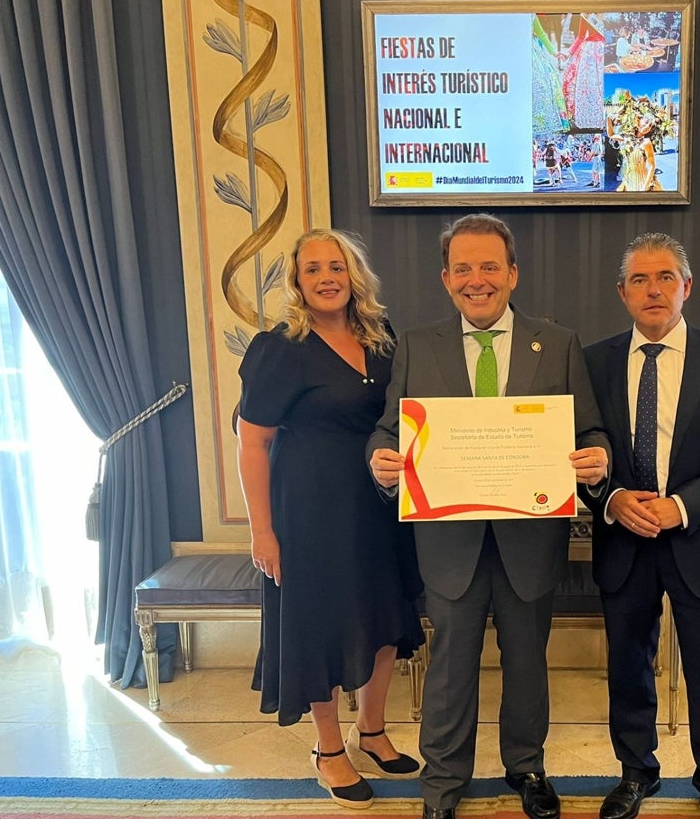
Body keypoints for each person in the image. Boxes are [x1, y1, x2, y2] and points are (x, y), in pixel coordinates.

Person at [367, 213, 611, 819]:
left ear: (513, 274)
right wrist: (380, 458)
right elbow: (387, 426)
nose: (478, 280)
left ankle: (526, 768)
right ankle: (442, 786)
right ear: (446, 278)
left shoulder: (556, 343)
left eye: (490, 267)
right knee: (450, 668)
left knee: (528, 661)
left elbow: (590, 427)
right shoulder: (418, 345)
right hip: (448, 542)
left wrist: (598, 455)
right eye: (464, 269)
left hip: (531, 537)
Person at [583, 233, 700, 819]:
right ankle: (637, 774)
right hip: (625, 542)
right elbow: (576, 452)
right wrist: (610, 499)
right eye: (639, 279)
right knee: (629, 669)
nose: (653, 289)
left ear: (687, 287)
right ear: (622, 293)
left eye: (665, 277)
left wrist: (682, 506)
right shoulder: (593, 362)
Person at [237, 228, 424, 809]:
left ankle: (371, 732)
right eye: (313, 268)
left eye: (336, 267)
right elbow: (251, 442)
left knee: (386, 619)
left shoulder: (383, 338)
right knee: (318, 626)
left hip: (381, 507)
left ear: (354, 276)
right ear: (297, 280)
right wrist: (261, 530)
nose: (326, 278)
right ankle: (328, 752)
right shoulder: (280, 347)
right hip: (309, 513)